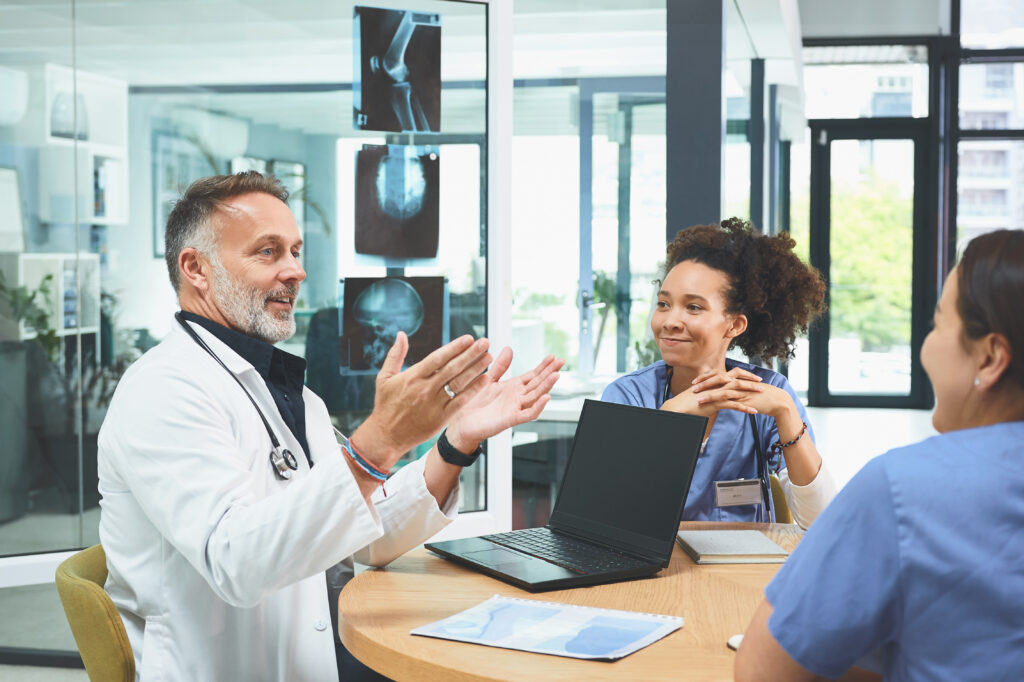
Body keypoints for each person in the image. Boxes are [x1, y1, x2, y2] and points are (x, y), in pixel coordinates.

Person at [97, 172, 563, 681]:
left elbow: (360, 537)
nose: (295, 271)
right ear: (196, 268)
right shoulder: (164, 388)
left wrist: (456, 442)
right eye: (268, 252)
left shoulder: (289, 393)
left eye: (296, 251)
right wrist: (379, 444)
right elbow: (236, 562)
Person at [735, 229, 1024, 681]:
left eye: (937, 323)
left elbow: (763, 670)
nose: (927, 346)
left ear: (989, 358)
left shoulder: (907, 488)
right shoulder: (632, 392)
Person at [602, 218, 835, 528]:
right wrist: (670, 417)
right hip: (652, 570)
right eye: (663, 304)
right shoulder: (627, 396)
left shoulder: (769, 393)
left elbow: (820, 520)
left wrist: (786, 413)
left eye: (694, 307)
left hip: (743, 569)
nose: (670, 320)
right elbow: (608, 515)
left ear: (735, 325)